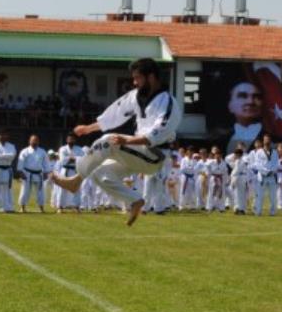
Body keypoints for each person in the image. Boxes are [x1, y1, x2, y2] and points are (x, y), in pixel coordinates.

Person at [51, 58, 183, 226]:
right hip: (137, 154)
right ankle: (135, 200)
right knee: (98, 174)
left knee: (108, 140)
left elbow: (157, 134)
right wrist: (88, 128)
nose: (134, 83)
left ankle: (75, 181)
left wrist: (127, 140)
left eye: (138, 78)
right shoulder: (136, 97)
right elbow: (115, 114)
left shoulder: (169, 103)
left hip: (154, 156)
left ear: (151, 77)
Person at [223, 81, 264, 154]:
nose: (250, 102)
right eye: (243, 96)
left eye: (256, 97)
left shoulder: (274, 140)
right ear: (230, 105)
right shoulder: (222, 139)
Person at [17, 134, 50, 213]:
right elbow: (20, 162)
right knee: (25, 191)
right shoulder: (25, 151)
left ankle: (41, 208)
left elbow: (46, 163)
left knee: (41, 192)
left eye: (36, 140)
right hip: (27, 173)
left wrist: (46, 172)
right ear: (29, 141)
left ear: (38, 141)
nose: (34, 142)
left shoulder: (42, 151)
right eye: (33, 140)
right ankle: (22, 207)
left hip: (39, 174)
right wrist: (20, 172)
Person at [56, 134, 84, 212]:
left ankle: (76, 206)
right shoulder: (63, 149)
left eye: (72, 139)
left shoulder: (79, 149)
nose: (71, 140)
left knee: (77, 188)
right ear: (67, 140)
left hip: (75, 170)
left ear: (75, 140)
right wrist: (75, 158)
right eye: (69, 139)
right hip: (65, 171)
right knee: (62, 189)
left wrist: (71, 158)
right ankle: (60, 207)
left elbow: (82, 159)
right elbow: (62, 160)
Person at [252, 135, 278, 216]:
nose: (267, 141)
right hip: (262, 177)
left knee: (273, 196)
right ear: (263, 141)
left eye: (268, 140)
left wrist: (272, 171)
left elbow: (276, 164)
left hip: (272, 176)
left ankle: (272, 212)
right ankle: (258, 212)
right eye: (265, 140)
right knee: (260, 196)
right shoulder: (259, 152)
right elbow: (257, 164)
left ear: (270, 141)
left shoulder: (275, 152)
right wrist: (266, 171)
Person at [226, 144, 250, 215]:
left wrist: (231, 179)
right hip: (240, 178)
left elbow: (235, 172)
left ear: (239, 155)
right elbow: (227, 159)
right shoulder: (239, 161)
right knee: (239, 194)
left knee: (239, 194)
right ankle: (239, 208)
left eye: (236, 154)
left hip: (239, 178)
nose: (235, 155)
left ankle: (240, 209)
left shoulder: (241, 160)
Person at [205, 147, 228, 212]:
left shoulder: (223, 163)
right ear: (215, 155)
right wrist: (208, 174)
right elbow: (206, 166)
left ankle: (221, 208)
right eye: (216, 155)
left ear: (221, 155)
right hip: (213, 178)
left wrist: (226, 180)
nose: (218, 156)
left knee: (221, 193)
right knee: (211, 192)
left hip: (221, 178)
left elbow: (225, 172)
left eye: (219, 155)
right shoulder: (211, 162)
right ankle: (210, 207)